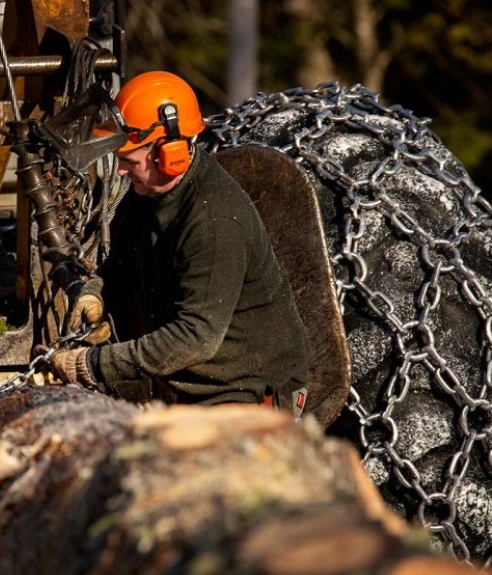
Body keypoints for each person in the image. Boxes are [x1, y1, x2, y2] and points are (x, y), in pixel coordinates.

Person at [50, 70, 310, 411]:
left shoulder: (214, 221)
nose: (122, 171)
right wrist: (97, 291)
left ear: (168, 153)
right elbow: (125, 259)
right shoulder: (148, 193)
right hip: (195, 376)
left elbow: (195, 337)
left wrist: (93, 364)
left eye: (129, 161)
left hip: (246, 387)